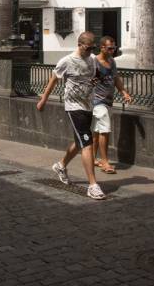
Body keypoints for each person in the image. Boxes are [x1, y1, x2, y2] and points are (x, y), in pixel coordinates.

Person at [36, 31, 106, 200]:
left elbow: (97, 75)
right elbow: (53, 80)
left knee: (79, 141)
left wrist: (95, 82)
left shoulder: (93, 60)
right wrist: (44, 100)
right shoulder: (66, 61)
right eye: (88, 48)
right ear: (80, 45)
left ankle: (61, 165)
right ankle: (93, 185)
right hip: (74, 107)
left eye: (93, 48)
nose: (91, 51)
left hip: (88, 104)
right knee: (87, 142)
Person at [91, 36, 132, 174]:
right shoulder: (94, 62)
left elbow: (116, 79)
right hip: (97, 101)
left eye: (114, 48)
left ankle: (92, 158)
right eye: (109, 48)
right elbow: (86, 78)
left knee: (97, 131)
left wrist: (124, 92)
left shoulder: (111, 61)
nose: (112, 50)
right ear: (102, 47)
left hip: (108, 101)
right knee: (105, 130)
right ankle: (105, 162)